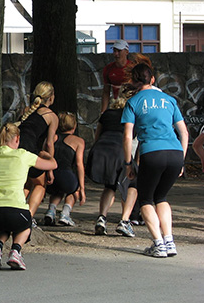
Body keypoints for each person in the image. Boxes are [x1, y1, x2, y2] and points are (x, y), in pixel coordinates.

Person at [0, 123, 57, 270]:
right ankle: (16, 251)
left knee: (1, 226)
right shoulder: (23, 155)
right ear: (17, 139)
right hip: (16, 211)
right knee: (25, 223)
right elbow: (52, 165)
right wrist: (45, 154)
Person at [122, 63, 188, 257]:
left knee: (146, 199)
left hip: (152, 152)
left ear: (134, 81)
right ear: (152, 79)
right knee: (161, 197)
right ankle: (170, 241)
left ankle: (158, 244)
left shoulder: (133, 102)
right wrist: (182, 159)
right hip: (175, 152)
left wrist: (128, 163)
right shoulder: (169, 100)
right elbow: (184, 132)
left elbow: (127, 137)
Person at [87, 91, 139, 237]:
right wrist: (131, 161)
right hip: (119, 149)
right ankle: (125, 221)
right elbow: (131, 138)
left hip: (101, 149)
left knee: (109, 185)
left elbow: (97, 136)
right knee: (132, 184)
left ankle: (101, 218)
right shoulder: (132, 116)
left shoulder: (106, 114)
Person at [14, 81, 58, 221]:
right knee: (40, 183)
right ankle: (28, 218)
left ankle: (16, 211)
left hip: (16, 150)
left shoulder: (27, 111)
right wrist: (49, 169)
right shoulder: (51, 116)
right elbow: (49, 144)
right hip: (30, 151)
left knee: (26, 182)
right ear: (51, 97)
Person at [42, 112, 86, 227]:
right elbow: (79, 164)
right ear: (74, 126)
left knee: (58, 191)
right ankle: (65, 214)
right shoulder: (78, 141)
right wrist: (82, 187)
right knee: (73, 191)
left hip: (51, 175)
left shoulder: (51, 138)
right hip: (66, 175)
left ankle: (50, 212)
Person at [101, 39, 134, 113]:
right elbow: (106, 91)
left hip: (132, 105)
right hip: (116, 105)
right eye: (114, 51)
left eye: (119, 51)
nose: (116, 54)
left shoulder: (133, 68)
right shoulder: (108, 69)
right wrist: (103, 112)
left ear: (126, 52)